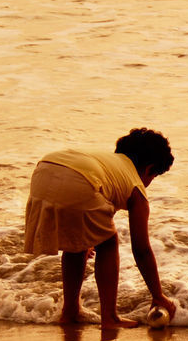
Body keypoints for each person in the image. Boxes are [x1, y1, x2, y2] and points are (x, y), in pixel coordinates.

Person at [24, 128, 177, 328]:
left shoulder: (109, 163)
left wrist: (86, 240)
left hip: (45, 169)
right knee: (108, 241)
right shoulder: (136, 187)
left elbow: (99, 200)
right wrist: (158, 296)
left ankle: (70, 311)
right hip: (80, 178)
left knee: (75, 245)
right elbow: (141, 249)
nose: (149, 183)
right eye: (154, 177)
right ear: (149, 169)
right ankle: (110, 318)